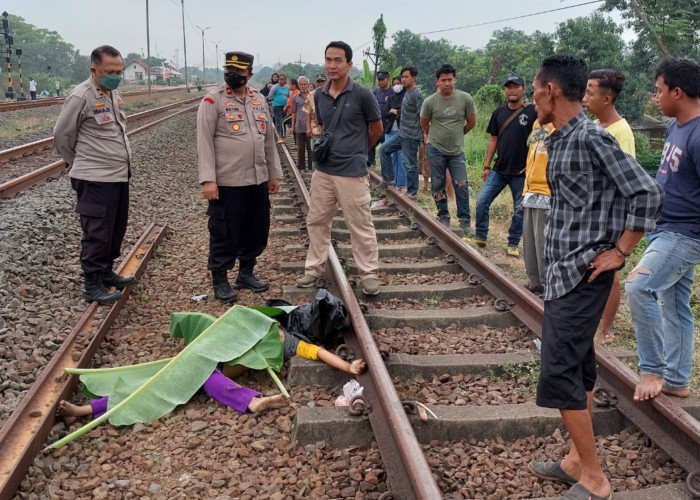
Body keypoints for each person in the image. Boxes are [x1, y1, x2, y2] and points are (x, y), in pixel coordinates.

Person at [527, 54, 663, 500]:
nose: (532, 98)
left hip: (583, 275)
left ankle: (594, 479)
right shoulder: (558, 137)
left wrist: (621, 251)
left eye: (534, 89)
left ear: (551, 90)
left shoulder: (590, 137)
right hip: (563, 274)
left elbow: (645, 191)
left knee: (560, 372)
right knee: (579, 367)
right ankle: (572, 460)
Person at [58, 325, 367, 419]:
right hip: (205, 360)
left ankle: (252, 401)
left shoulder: (291, 345)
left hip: (212, 372)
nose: (276, 332)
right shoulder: (252, 323)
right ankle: (86, 409)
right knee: (153, 383)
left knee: (198, 381)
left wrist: (348, 366)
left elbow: (321, 353)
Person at [626, 56, 700, 402]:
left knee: (639, 286)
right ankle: (677, 379)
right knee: (674, 304)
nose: (656, 98)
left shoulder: (699, 134)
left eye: (659, 91)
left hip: (682, 234)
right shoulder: (676, 127)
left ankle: (653, 369)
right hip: (664, 228)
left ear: (678, 92)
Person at [296, 41, 383, 296]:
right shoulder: (319, 95)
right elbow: (322, 126)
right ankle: (313, 269)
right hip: (323, 171)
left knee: (360, 223)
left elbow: (377, 129)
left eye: (338, 60)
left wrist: (357, 150)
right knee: (317, 220)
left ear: (349, 64)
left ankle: (368, 273)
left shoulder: (362, 95)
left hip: (352, 172)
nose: (332, 65)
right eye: (328, 60)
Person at [197, 51, 282, 303]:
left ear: (250, 74)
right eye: (228, 71)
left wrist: (273, 173)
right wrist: (208, 180)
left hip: (256, 180)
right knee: (224, 232)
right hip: (228, 182)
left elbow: (268, 139)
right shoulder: (213, 101)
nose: (232, 75)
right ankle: (220, 280)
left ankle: (246, 273)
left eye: (239, 72)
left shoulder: (258, 99)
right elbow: (204, 142)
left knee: (256, 229)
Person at [53, 45, 136, 305]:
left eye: (119, 71)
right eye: (109, 71)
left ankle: (105, 272)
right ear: (94, 69)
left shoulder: (113, 93)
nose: (115, 75)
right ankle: (92, 284)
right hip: (94, 177)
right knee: (97, 232)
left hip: (118, 175)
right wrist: (76, 162)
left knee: (115, 229)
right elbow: (62, 135)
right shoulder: (81, 96)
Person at [582, 69, 636, 345]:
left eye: (590, 93)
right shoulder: (594, 125)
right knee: (594, 267)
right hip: (593, 212)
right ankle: (593, 320)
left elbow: (629, 181)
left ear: (607, 98)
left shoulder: (621, 132)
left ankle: (606, 328)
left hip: (612, 214)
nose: (584, 98)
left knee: (610, 272)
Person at [471, 74, 537, 257]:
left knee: (520, 210)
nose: (512, 90)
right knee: (482, 201)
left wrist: (532, 165)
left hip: (522, 172)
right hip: (499, 169)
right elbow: (493, 140)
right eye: (508, 87)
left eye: (516, 86)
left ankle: (513, 243)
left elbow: (540, 141)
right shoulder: (498, 112)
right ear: (505, 90)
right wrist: (486, 166)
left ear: (523, 90)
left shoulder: (533, 112)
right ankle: (481, 236)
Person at [420, 64, 477, 232]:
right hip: (435, 149)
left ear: (455, 80)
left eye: (450, 80)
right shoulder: (430, 102)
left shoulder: (465, 99)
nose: (447, 83)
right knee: (437, 184)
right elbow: (424, 124)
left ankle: (465, 220)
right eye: (443, 80)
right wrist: (437, 137)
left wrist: (457, 135)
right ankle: (443, 215)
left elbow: (471, 122)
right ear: (437, 82)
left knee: (462, 184)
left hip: (457, 152)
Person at [521, 119, 555, 295]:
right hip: (532, 190)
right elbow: (530, 157)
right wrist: (525, 190)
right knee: (530, 241)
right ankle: (535, 281)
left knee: (543, 242)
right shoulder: (537, 124)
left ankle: (546, 283)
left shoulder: (560, 124)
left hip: (547, 191)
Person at [378, 66, 423, 197]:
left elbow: (422, 116)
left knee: (410, 164)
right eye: (402, 77)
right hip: (402, 134)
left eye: (406, 77)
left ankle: (412, 192)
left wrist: (424, 134)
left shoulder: (417, 94)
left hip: (411, 135)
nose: (403, 79)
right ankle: (389, 180)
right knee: (383, 150)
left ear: (414, 78)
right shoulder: (407, 93)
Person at [383, 76, 406, 192]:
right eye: (394, 83)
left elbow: (406, 113)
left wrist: (395, 111)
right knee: (391, 157)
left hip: (402, 131)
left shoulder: (406, 97)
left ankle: (402, 184)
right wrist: (395, 112)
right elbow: (385, 113)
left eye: (398, 83)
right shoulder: (390, 98)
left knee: (401, 157)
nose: (396, 85)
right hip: (390, 130)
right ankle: (392, 181)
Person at [368, 70, 394, 167]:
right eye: (379, 80)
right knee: (370, 145)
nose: (380, 82)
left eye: (382, 79)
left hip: (388, 126)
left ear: (388, 79)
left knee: (386, 148)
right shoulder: (375, 92)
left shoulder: (393, 92)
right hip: (376, 124)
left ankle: (386, 166)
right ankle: (371, 163)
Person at [291, 76, 312, 170]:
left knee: (311, 148)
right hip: (299, 125)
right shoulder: (295, 97)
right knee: (300, 148)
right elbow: (293, 112)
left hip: (311, 126)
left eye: (305, 84)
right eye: (301, 84)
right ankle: (301, 167)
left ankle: (311, 167)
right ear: (298, 85)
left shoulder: (312, 96)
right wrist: (292, 126)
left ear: (308, 85)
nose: (303, 86)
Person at [304, 75, 326, 150]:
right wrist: (308, 128)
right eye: (319, 82)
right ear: (316, 83)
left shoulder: (331, 93)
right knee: (315, 153)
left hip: (328, 130)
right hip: (315, 129)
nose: (321, 84)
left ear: (326, 82)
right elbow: (308, 112)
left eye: (322, 81)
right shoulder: (311, 95)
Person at [266, 73, 290, 142]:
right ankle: (280, 136)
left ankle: (283, 136)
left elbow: (289, 96)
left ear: (285, 80)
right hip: (277, 106)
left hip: (285, 106)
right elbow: (270, 96)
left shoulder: (287, 87)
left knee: (284, 121)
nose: (281, 81)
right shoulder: (275, 87)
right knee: (278, 120)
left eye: (283, 80)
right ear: (278, 80)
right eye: (280, 80)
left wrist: (288, 104)